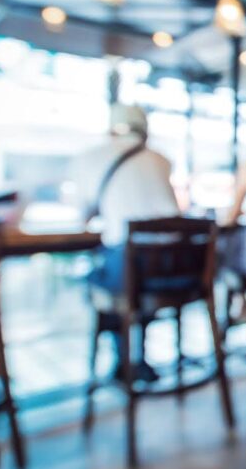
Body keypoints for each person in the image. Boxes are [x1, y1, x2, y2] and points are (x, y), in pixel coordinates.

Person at [71, 104, 179, 383]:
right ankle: (136, 358)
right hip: (175, 269)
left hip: (129, 269)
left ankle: (122, 358)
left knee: (98, 278)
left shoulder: (91, 157)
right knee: (128, 277)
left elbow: (84, 214)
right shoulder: (161, 159)